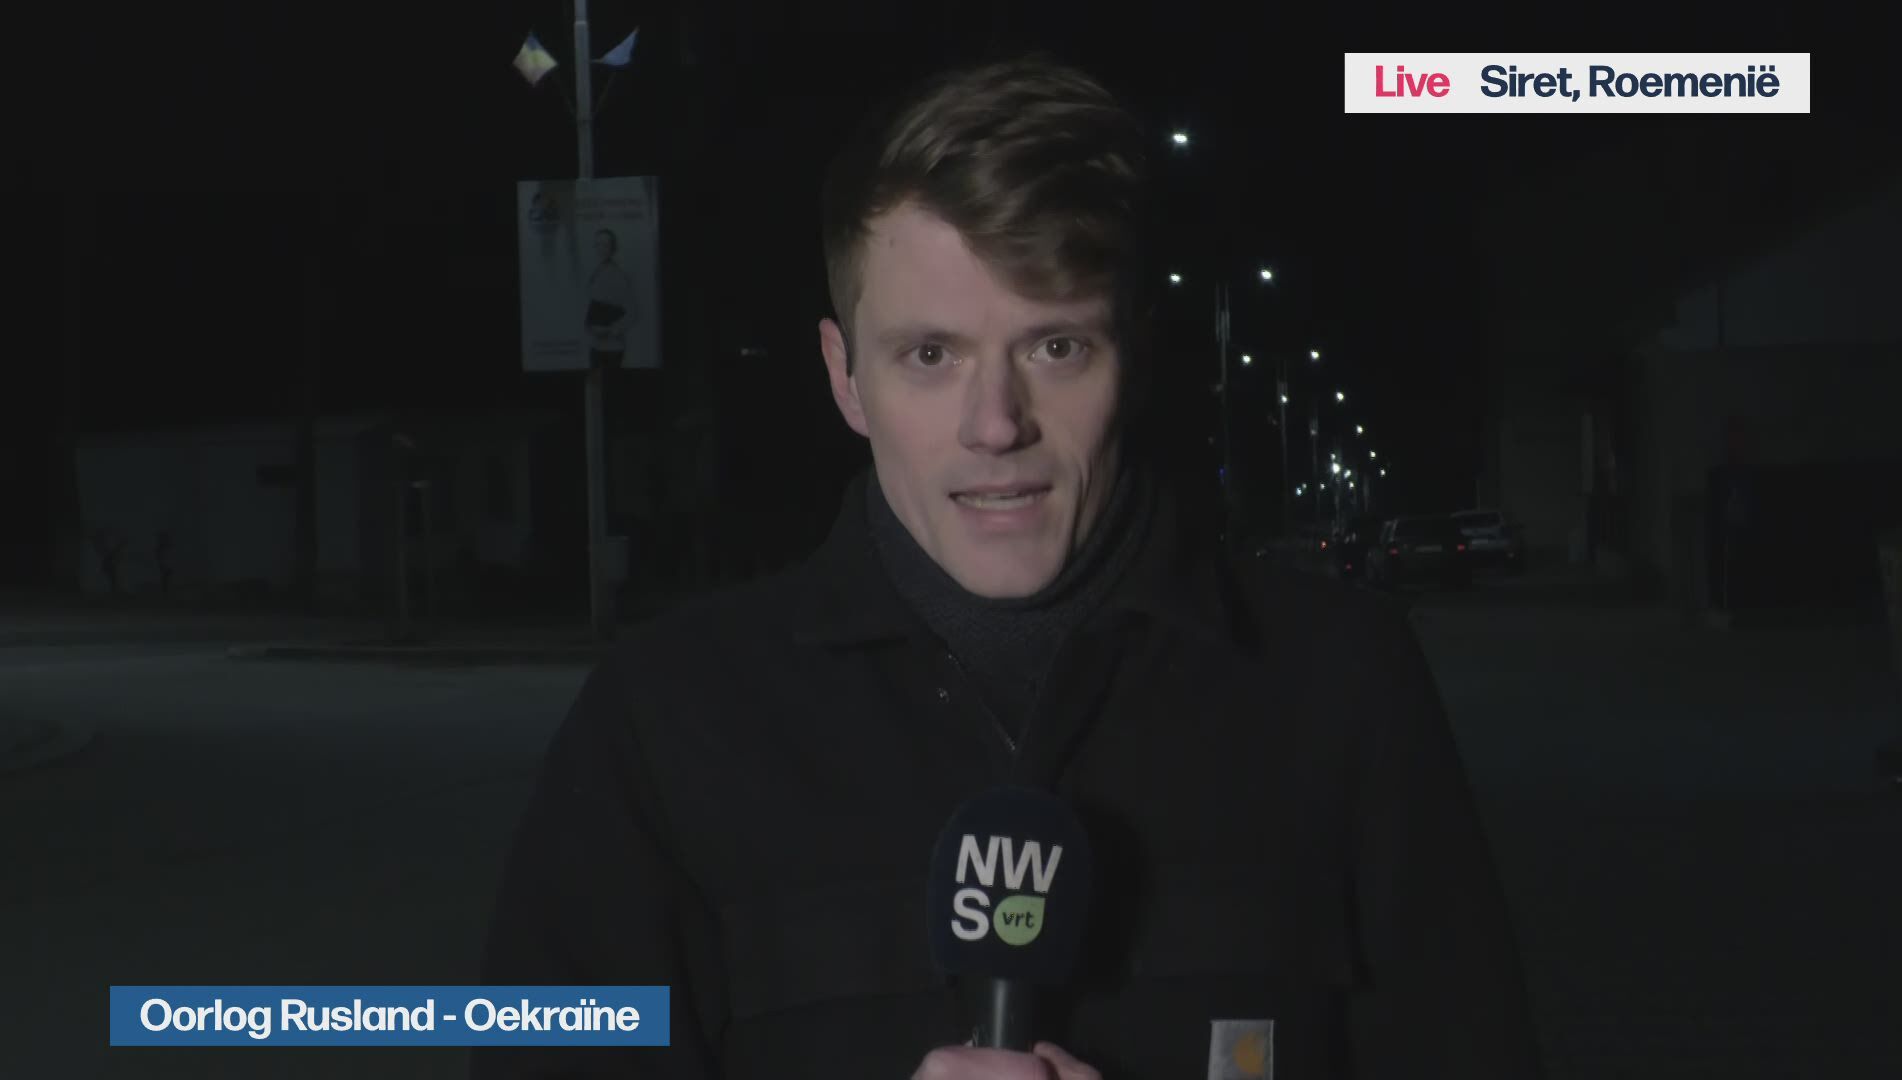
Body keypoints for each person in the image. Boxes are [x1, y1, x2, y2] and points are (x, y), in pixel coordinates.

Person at [475, 53, 1543, 1080]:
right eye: (930, 355)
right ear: (845, 378)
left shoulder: (1341, 686)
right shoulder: (664, 723)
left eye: (1055, 347)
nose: (996, 424)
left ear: (1136, 356)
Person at [585, 227, 636, 368]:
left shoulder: (620, 276)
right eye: (597, 245)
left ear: (613, 248)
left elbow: (633, 312)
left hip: (613, 349)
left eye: (605, 245)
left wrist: (610, 330)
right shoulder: (595, 273)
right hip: (595, 347)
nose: (601, 249)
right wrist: (589, 327)